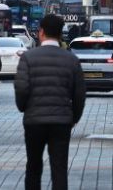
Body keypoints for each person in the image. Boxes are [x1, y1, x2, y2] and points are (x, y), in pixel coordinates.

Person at [14, 14, 86, 190]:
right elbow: (79, 94)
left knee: (33, 165)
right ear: (60, 34)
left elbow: (21, 89)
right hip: (61, 121)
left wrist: (24, 108)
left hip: (34, 120)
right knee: (59, 167)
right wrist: (74, 117)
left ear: (41, 32)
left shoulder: (28, 58)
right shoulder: (71, 59)